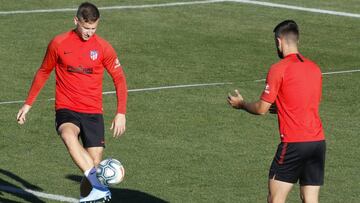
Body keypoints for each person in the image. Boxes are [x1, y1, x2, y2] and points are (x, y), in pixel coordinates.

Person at [16, 2, 127, 202]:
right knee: (68, 135)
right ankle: (100, 189)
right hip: (66, 107)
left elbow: (119, 78)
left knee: (92, 164)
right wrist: (28, 104)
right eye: (86, 28)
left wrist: (121, 112)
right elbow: (43, 71)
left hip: (93, 112)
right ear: (76, 21)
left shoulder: (103, 47)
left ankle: (90, 196)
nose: (89, 33)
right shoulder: (59, 43)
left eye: (94, 28)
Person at [227, 20, 325, 203]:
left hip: (294, 144)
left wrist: (242, 104)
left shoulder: (278, 69)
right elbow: (308, 102)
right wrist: (282, 106)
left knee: (275, 199)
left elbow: (261, 109)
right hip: (317, 143)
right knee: (310, 199)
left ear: (279, 41)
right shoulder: (315, 68)